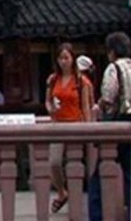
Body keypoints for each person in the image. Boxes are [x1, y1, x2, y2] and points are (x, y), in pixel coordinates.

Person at [88, 32, 131, 221]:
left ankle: (97, 216)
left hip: (119, 121)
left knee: (98, 177)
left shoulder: (114, 68)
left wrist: (99, 107)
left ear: (111, 51)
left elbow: (108, 97)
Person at [45, 43, 92, 214]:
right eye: (60, 58)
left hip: (76, 123)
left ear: (72, 59)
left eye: (66, 58)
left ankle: (77, 203)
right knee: (54, 163)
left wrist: (88, 128)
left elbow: (85, 106)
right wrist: (50, 109)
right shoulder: (53, 79)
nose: (63, 62)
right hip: (58, 124)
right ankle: (61, 192)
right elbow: (48, 101)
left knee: (75, 165)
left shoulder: (81, 81)